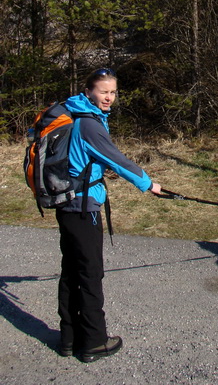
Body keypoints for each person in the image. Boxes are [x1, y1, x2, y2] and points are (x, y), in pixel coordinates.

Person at [55, 67, 161, 362]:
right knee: (90, 274)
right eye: (103, 91)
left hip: (68, 203)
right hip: (83, 207)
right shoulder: (89, 124)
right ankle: (94, 342)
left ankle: (69, 338)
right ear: (89, 90)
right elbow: (117, 159)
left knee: (72, 271)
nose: (109, 97)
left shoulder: (74, 112)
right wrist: (148, 183)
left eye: (113, 92)